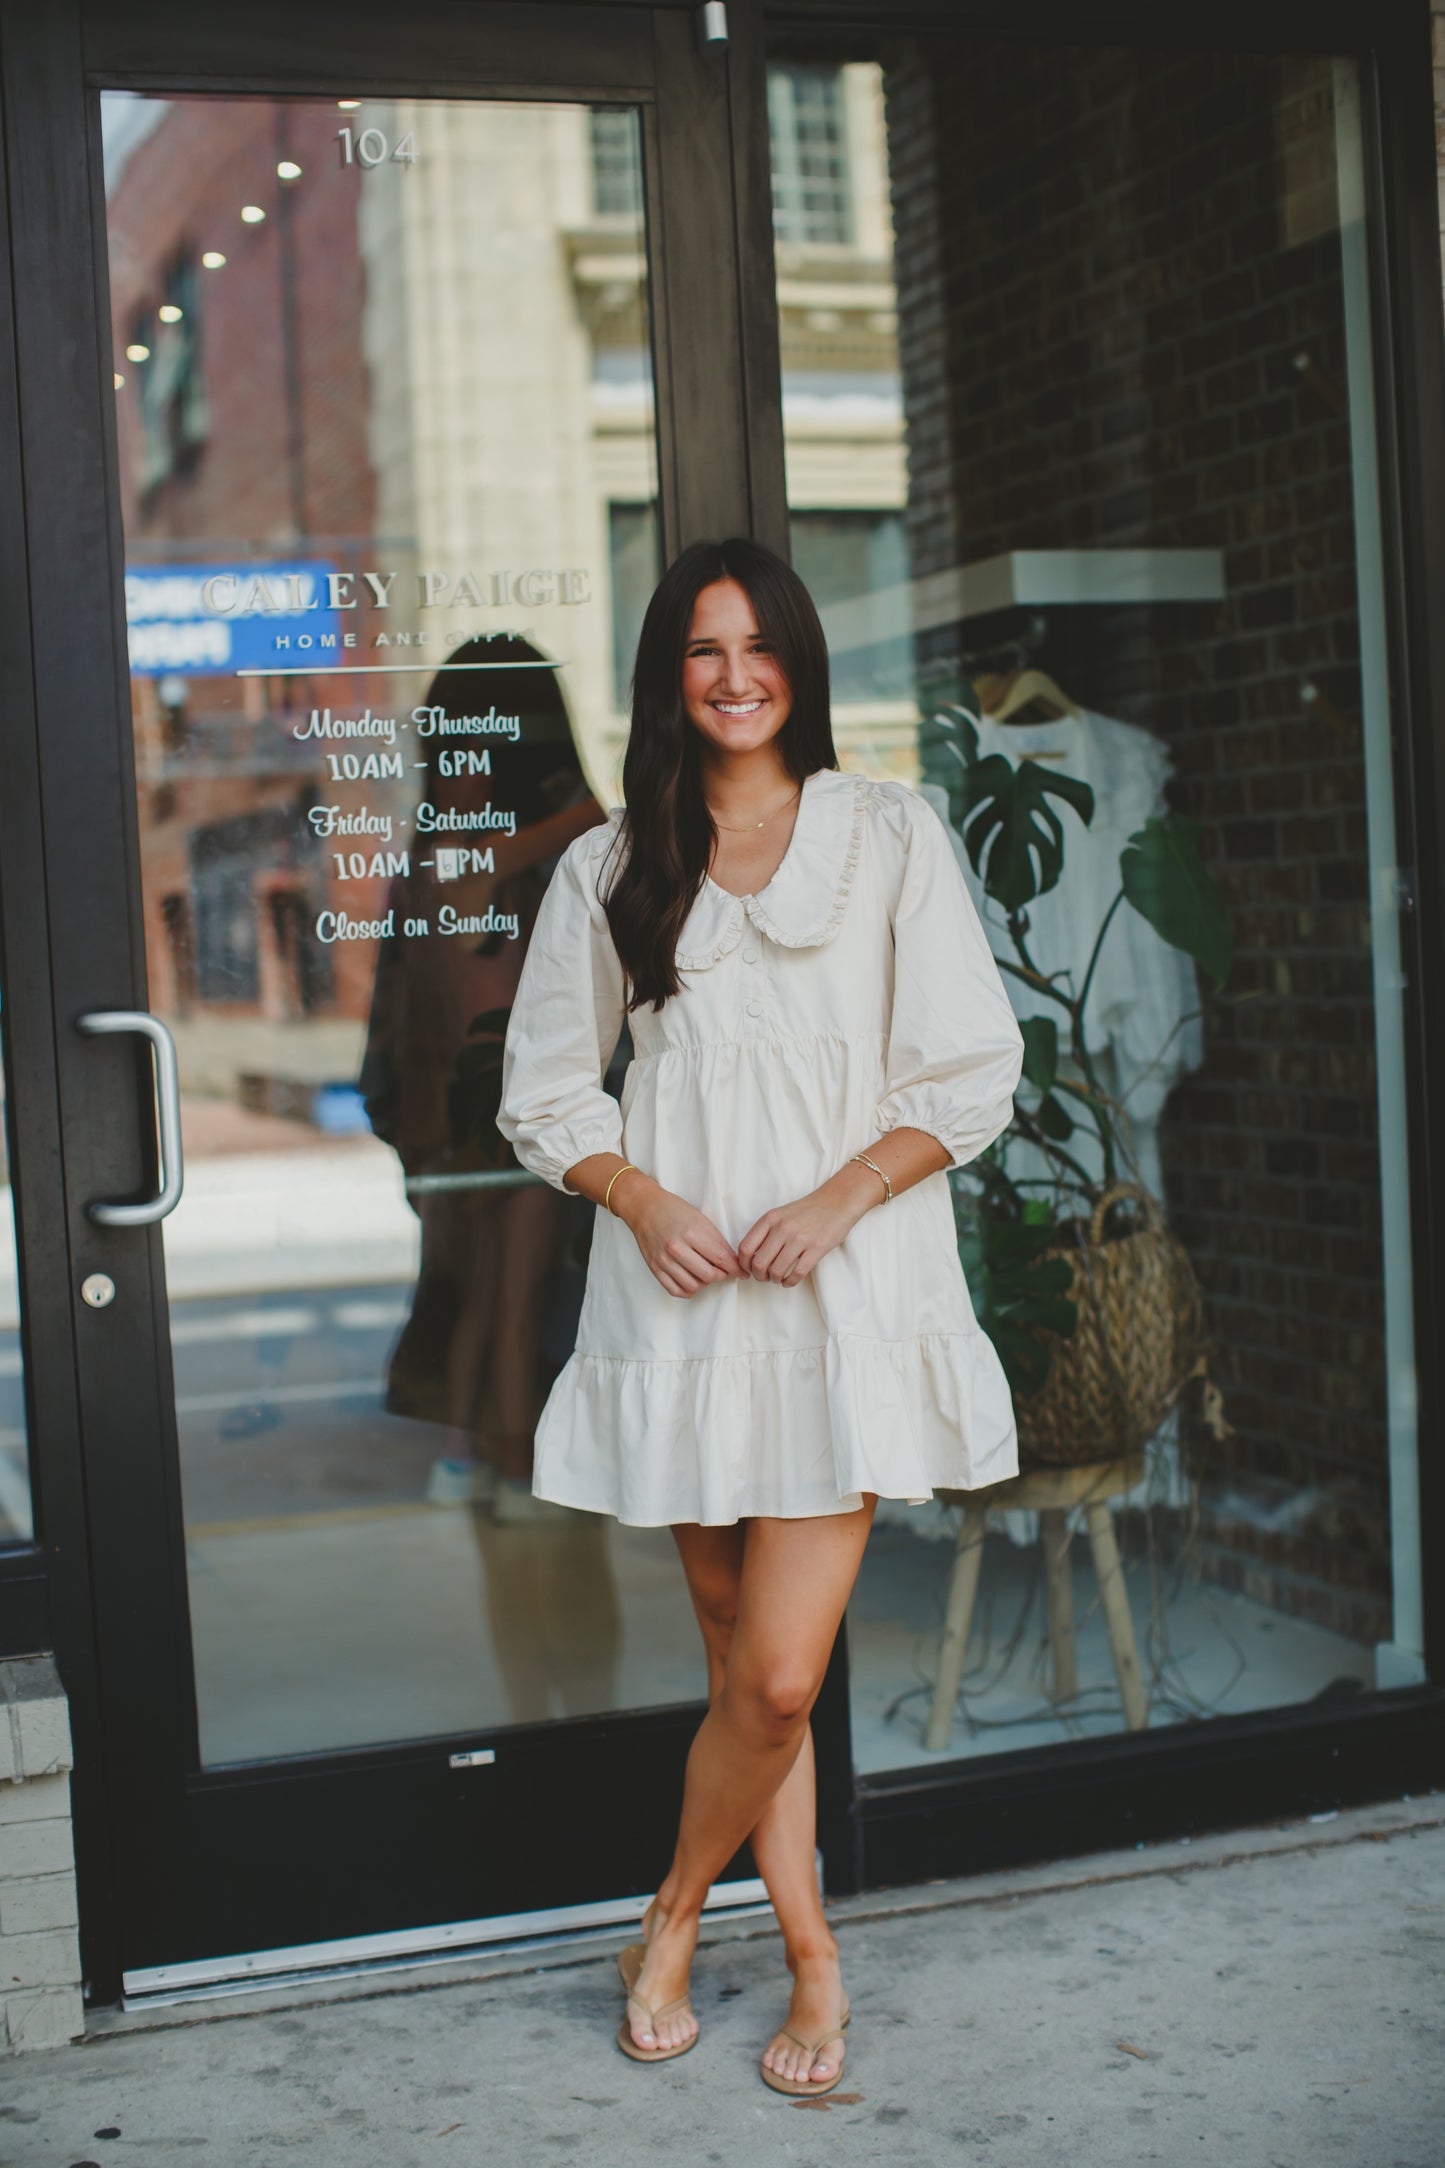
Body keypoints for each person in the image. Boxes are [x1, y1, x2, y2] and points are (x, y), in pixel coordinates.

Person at [495, 538, 1025, 2097]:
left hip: (843, 1297)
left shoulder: (885, 832)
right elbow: (540, 1091)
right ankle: (803, 1956)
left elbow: (965, 1074)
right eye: (701, 651)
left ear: (797, 660)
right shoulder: (611, 863)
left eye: (758, 645)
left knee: (782, 1676)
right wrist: (648, 1201)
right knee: (742, 1665)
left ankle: (672, 1919)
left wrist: (838, 1198)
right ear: (670, 676)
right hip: (681, 1310)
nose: (733, 675)